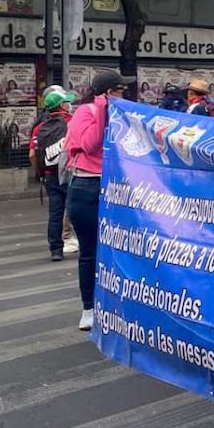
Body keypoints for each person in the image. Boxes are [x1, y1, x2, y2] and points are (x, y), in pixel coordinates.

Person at [66, 71, 134, 330]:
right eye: (119, 90)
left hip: (114, 187)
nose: (123, 94)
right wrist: (103, 109)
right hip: (87, 187)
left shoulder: (123, 114)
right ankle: (89, 307)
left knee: (119, 249)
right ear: (107, 93)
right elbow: (91, 144)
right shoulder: (86, 112)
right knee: (90, 251)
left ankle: (115, 302)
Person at [29, 89, 75, 261]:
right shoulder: (72, 121)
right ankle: (87, 245)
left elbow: (32, 155)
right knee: (76, 210)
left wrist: (41, 174)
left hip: (50, 176)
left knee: (55, 213)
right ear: (62, 105)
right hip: (71, 174)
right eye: (67, 102)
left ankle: (56, 250)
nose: (69, 105)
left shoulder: (40, 128)